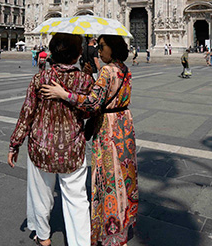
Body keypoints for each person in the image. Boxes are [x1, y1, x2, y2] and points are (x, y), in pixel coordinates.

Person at [41, 35, 138, 246]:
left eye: (101, 47)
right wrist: (90, 79)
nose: (98, 51)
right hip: (124, 123)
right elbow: (107, 93)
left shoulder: (106, 70)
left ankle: (109, 230)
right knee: (124, 172)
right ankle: (124, 221)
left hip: (109, 126)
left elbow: (93, 104)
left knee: (108, 176)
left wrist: (63, 94)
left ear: (112, 48)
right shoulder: (124, 68)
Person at [8, 33, 94, 246]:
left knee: (41, 195)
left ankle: (44, 237)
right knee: (77, 199)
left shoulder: (40, 78)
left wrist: (15, 144)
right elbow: (90, 111)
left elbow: (27, 112)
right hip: (72, 147)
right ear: (77, 55)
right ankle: (81, 242)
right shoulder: (85, 80)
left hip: (41, 146)